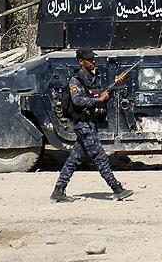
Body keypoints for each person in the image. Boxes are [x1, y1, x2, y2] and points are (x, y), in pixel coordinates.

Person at [51, 48, 134, 202]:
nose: (92, 61)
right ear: (81, 61)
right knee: (100, 157)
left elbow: (102, 95)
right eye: (89, 59)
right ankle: (117, 189)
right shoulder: (75, 80)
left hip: (90, 122)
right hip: (82, 123)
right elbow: (77, 100)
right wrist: (98, 99)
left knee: (74, 159)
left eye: (93, 59)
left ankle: (58, 190)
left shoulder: (94, 78)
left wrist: (115, 86)